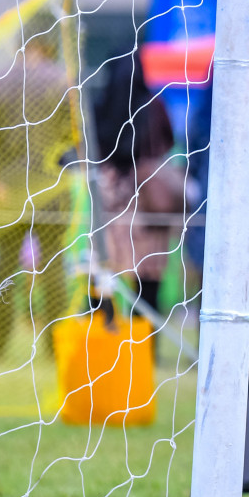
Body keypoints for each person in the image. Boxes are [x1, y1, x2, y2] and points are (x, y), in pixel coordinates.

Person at [0, 28, 78, 357]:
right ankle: (56, 347)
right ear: (49, 44)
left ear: (19, 44)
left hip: (10, 188)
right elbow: (74, 132)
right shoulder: (63, 81)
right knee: (53, 271)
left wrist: (3, 160)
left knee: (4, 270)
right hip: (52, 185)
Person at [93, 51, 184, 319]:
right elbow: (167, 142)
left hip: (112, 201)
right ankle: (145, 344)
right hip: (149, 201)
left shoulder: (102, 105)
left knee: (104, 272)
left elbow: (95, 146)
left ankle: (104, 334)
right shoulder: (154, 105)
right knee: (148, 280)